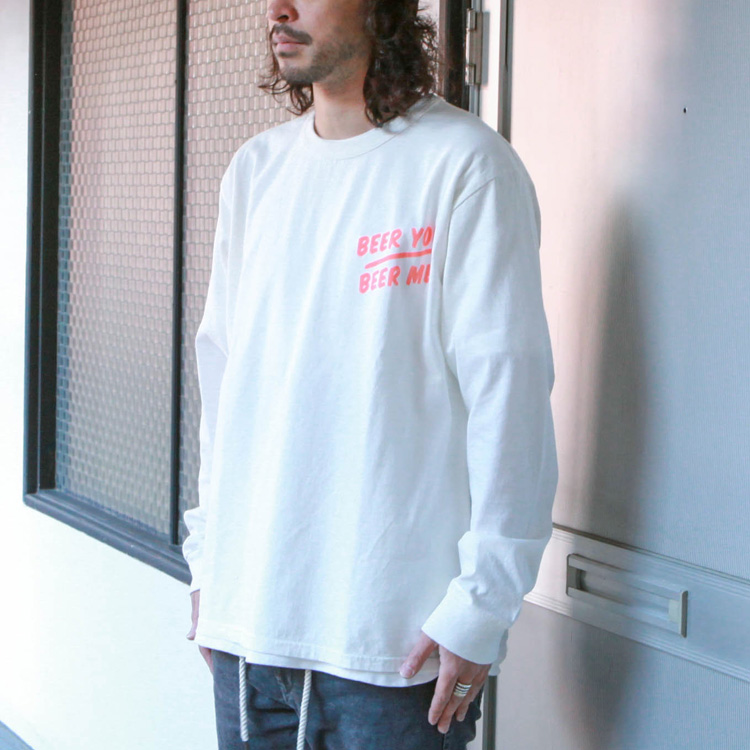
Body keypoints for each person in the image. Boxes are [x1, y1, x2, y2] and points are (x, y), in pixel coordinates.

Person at [183, 0, 558, 746]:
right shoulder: (256, 171)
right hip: (248, 630)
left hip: (392, 651)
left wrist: (481, 607)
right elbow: (223, 386)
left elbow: (509, 396)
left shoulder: (464, 163)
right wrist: (208, 564)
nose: (279, 9)